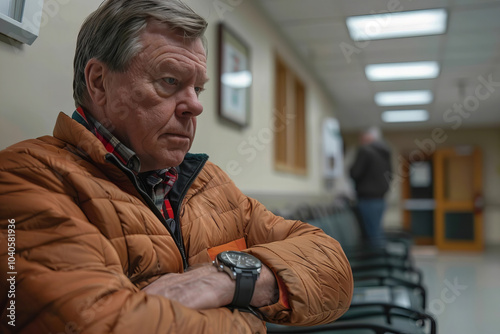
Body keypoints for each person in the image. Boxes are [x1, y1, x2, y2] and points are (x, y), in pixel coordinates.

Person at [0, 1, 353, 333]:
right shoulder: (26, 178)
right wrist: (250, 317)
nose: (195, 106)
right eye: (170, 81)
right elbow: (102, 324)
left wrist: (226, 279)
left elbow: (331, 265)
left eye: (197, 88)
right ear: (99, 82)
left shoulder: (210, 183)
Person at [350, 127, 392, 245]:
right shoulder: (385, 153)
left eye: (362, 138)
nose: (361, 141)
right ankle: (383, 261)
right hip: (381, 199)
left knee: (371, 236)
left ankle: (378, 262)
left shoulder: (365, 151)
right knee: (377, 232)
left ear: (367, 137)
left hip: (367, 199)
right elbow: (391, 175)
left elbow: (355, 173)